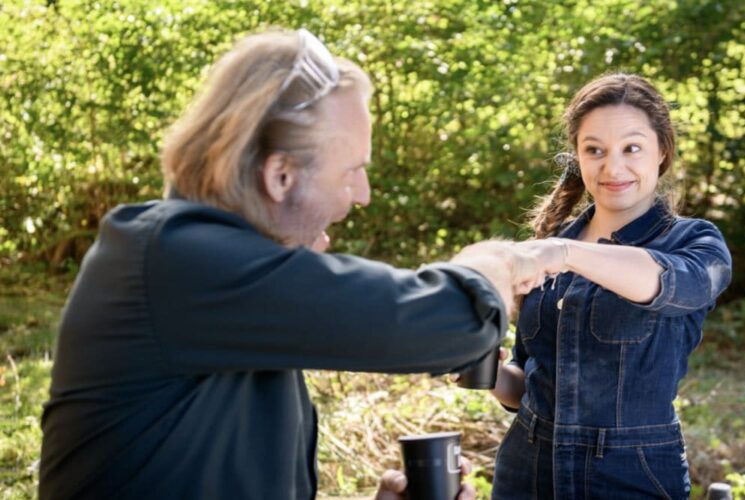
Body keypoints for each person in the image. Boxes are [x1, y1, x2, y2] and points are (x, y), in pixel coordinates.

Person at [38, 28, 552, 500]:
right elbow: (452, 324)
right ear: (280, 176)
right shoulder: (179, 258)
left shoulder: (225, 278)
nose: (363, 194)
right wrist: (496, 261)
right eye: (352, 171)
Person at [487, 73, 733, 499]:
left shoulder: (696, 243)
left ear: (662, 151)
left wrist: (562, 254)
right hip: (525, 472)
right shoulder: (550, 243)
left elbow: (671, 282)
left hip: (631, 476)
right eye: (594, 150)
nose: (612, 167)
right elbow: (528, 384)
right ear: (578, 157)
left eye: (631, 148)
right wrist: (481, 368)